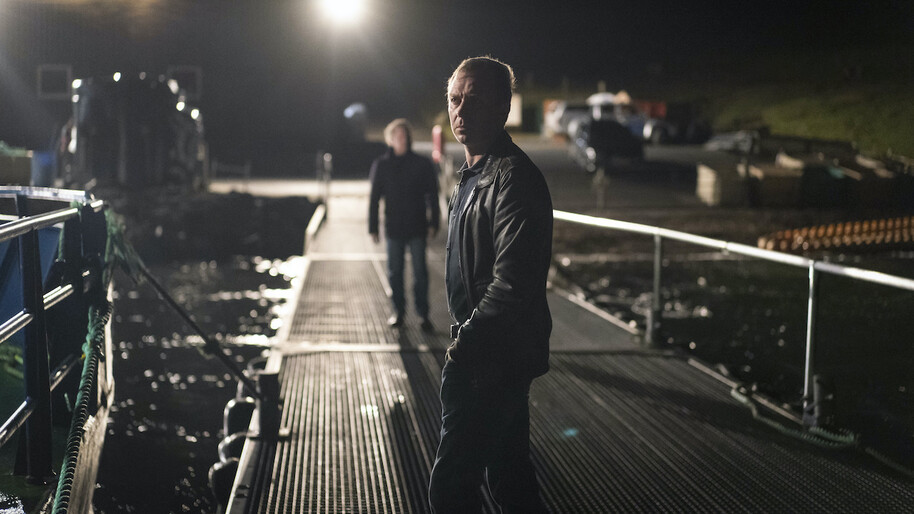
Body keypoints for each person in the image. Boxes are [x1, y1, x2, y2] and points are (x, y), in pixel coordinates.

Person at [428, 56, 552, 513]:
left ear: (504, 107)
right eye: (455, 100)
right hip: (492, 351)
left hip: (491, 357)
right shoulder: (473, 175)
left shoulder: (513, 179)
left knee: (452, 488)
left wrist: (465, 348)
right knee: (510, 475)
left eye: (475, 100)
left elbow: (512, 284)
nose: (461, 111)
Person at [368, 118, 440, 330]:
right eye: (398, 136)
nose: (402, 139)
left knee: (421, 273)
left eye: (405, 135)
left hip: (417, 226)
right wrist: (373, 228)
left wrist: (434, 222)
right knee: (395, 272)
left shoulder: (422, 164)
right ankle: (398, 312)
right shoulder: (381, 166)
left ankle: (423, 314)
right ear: (390, 140)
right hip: (393, 228)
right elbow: (374, 199)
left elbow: (433, 195)